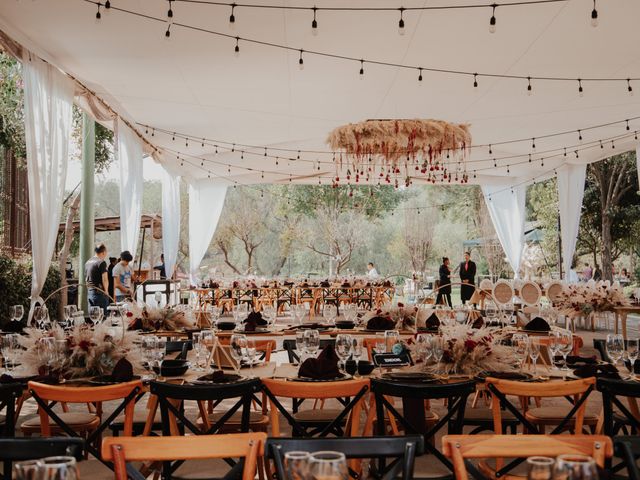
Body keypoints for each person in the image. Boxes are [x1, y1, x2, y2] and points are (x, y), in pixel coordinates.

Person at [85, 243, 110, 314]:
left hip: (90, 293)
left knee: (93, 317)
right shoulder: (101, 262)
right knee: (102, 317)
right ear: (104, 252)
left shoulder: (88, 262)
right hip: (100, 294)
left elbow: (86, 278)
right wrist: (106, 291)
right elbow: (105, 279)